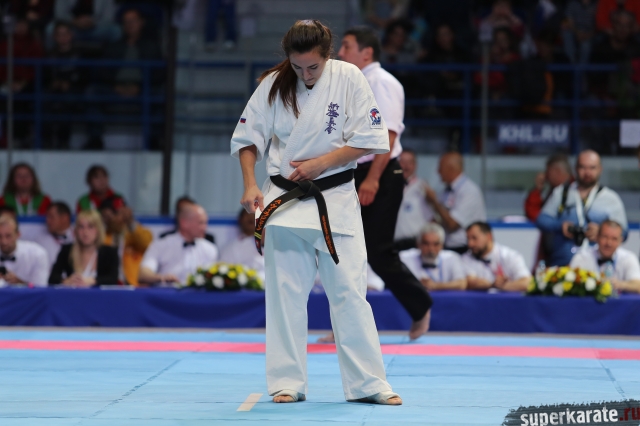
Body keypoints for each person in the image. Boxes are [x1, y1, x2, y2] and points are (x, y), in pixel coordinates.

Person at [231, 20, 401, 405]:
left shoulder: (349, 78)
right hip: (284, 200)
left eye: (313, 67)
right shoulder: (273, 84)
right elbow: (247, 139)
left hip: (334, 197)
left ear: (328, 55)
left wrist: (322, 163)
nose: (305, 74)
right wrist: (250, 183)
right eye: (297, 67)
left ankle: (369, 384)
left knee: (350, 293)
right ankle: (286, 382)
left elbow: (372, 139)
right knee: (284, 296)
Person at [338, 26, 432, 340]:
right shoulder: (351, 82)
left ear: (366, 53)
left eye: (347, 46)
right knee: (344, 250)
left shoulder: (382, 82)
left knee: (378, 251)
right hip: (353, 171)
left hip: (380, 172)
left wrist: (373, 179)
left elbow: (388, 135)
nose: (340, 53)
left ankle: (420, 305)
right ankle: (344, 325)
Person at [536, 150, 628, 267]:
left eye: (592, 168)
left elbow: (624, 232)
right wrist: (560, 226)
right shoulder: (562, 192)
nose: (587, 172)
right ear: (575, 169)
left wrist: (602, 232)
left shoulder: (611, 198)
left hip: (598, 267)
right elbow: (542, 220)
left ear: (600, 169)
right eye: (583, 167)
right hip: (563, 264)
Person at [139, 204, 218, 285]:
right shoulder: (161, 245)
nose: (205, 227)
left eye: (206, 223)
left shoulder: (210, 249)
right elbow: (143, 274)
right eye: (201, 223)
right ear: (184, 223)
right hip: (166, 292)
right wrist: (162, 278)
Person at [425, 152, 486, 254]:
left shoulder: (469, 191)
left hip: (464, 249)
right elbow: (440, 219)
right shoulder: (446, 191)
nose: (438, 172)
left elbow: (452, 224)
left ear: (451, 169)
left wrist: (434, 202)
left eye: (440, 168)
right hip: (447, 247)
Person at [45, 21, 87, 149]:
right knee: (43, 101)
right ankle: (46, 140)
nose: (62, 37)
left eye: (65, 34)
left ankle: (63, 140)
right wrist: (54, 83)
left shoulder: (80, 54)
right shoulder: (49, 55)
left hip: (74, 89)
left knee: (67, 102)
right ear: (54, 37)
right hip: (53, 89)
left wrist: (70, 83)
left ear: (71, 35)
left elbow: (85, 76)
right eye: (59, 34)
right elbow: (45, 76)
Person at [49, 210, 119, 286]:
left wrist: (93, 281)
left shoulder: (110, 253)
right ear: (76, 230)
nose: (85, 232)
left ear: (98, 230)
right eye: (81, 227)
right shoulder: (67, 250)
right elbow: (52, 278)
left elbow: (113, 279)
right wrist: (66, 281)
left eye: (90, 227)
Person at [570, 220, 640, 293]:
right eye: (605, 237)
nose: (609, 243)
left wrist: (620, 284)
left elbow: (638, 286)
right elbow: (570, 286)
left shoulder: (628, 258)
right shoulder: (582, 258)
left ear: (620, 241)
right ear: (597, 237)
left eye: (614, 239)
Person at [462, 221, 531, 292]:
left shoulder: (510, 256)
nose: (470, 244)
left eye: (474, 238)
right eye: (468, 239)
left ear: (488, 236)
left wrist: (503, 286)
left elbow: (527, 283)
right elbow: (470, 282)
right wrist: (492, 285)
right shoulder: (466, 258)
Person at [99, 196, 152, 285]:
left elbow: (147, 245)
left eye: (114, 214)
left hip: (134, 286)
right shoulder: (102, 237)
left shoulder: (137, 232)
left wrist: (130, 222)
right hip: (109, 286)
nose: (111, 219)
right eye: (105, 217)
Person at [400, 223, 467, 291]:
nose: (431, 249)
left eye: (436, 244)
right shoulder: (405, 258)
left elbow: (462, 284)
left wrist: (435, 286)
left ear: (442, 245)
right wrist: (416, 284)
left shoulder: (452, 258)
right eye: (426, 243)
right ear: (418, 244)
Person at [394, 149, 434, 249]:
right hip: (393, 243)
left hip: (416, 244)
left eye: (410, 162)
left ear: (415, 165)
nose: (406, 166)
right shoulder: (389, 186)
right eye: (402, 162)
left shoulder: (424, 187)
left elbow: (432, 219)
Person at [0, 215, 49, 287]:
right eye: (0, 236)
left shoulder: (37, 254)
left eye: (8, 236)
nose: (4, 241)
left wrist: (20, 283)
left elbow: (40, 289)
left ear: (18, 234)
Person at [524, 153, 573, 222]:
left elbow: (538, 217)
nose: (546, 176)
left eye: (548, 171)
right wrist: (537, 190)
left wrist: (537, 190)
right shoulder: (556, 190)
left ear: (557, 171)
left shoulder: (574, 190)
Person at [220, 209, 264, 278]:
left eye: (254, 215)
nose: (251, 217)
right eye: (247, 214)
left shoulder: (269, 245)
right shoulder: (230, 248)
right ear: (240, 220)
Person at [52, 0, 120, 44]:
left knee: (116, 31)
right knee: (50, 30)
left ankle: (109, 60)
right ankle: (53, 59)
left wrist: (92, 22)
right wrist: (75, 21)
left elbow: (109, 17)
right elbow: (59, 14)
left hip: (96, 28)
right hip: (72, 29)